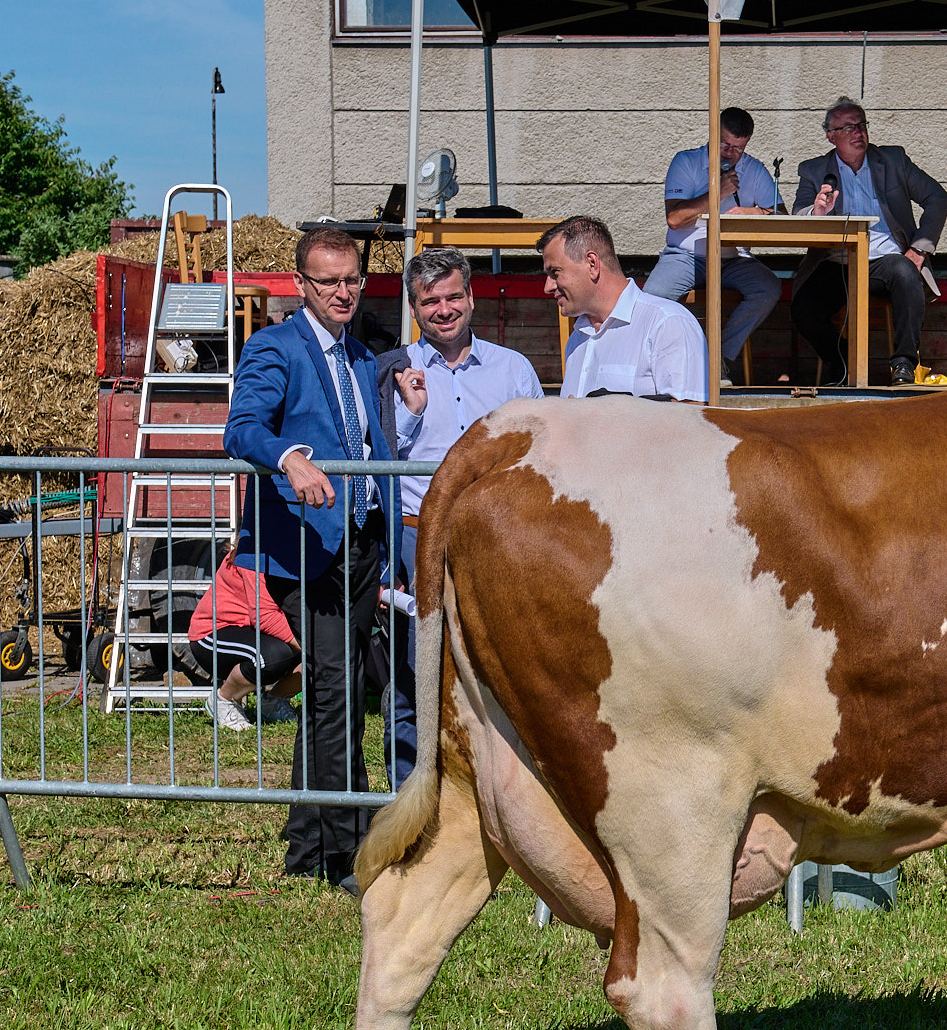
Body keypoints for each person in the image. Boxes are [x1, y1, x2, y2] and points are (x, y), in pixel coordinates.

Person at [223, 227, 402, 894]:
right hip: (304, 547)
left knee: (336, 692)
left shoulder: (359, 354)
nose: (343, 291)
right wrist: (289, 457)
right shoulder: (274, 346)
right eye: (328, 281)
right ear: (300, 284)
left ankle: (306, 849)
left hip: (357, 542)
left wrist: (386, 539)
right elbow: (242, 428)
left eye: (352, 278)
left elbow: (366, 437)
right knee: (337, 694)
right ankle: (352, 854)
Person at [383, 248, 544, 787]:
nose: (444, 309)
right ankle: (410, 792)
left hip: (494, 542)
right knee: (415, 672)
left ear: (472, 298)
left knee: (495, 667)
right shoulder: (394, 369)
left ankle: (493, 795)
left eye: (453, 296)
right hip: (415, 535)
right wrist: (411, 413)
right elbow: (380, 460)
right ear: (414, 307)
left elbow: (537, 456)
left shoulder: (513, 370)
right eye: (430, 301)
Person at [791, 96, 947, 386]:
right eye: (849, 127)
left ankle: (903, 364)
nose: (859, 132)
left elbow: (937, 197)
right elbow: (798, 213)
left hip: (885, 261)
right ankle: (841, 362)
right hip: (836, 260)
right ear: (831, 136)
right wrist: (817, 211)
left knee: (905, 271)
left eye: (862, 124)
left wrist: (918, 249)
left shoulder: (893, 160)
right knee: (803, 307)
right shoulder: (814, 170)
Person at [643, 106, 785, 385]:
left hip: (733, 257)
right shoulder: (687, 162)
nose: (731, 152)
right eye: (725, 144)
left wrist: (753, 212)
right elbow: (674, 218)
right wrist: (717, 192)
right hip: (686, 255)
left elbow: (780, 214)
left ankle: (716, 357)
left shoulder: (753, 169)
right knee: (653, 297)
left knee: (768, 288)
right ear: (712, 133)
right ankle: (654, 366)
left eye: (739, 147)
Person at [543, 216, 707, 402]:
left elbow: (690, 412)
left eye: (555, 273)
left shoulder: (666, 322)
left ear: (592, 264)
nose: (547, 287)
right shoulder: (578, 338)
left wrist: (600, 416)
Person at [188, 557, 300, 734]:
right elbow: (265, 617)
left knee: (325, 651)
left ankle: (273, 703)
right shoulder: (253, 555)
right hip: (213, 634)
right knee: (273, 657)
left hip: (256, 632)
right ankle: (223, 700)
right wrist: (306, 644)